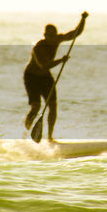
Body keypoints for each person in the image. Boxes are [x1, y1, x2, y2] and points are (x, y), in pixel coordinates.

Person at [23, 11, 88, 142]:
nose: (52, 39)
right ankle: (25, 132)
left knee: (53, 105)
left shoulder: (57, 39)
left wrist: (83, 19)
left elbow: (76, 33)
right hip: (32, 77)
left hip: (45, 77)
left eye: (54, 36)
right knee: (36, 107)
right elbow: (44, 66)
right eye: (49, 36)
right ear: (45, 35)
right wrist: (61, 60)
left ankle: (50, 137)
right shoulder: (38, 48)